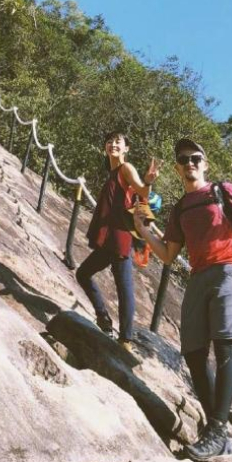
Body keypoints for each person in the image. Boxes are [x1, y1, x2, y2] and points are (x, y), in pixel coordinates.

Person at [133, 137, 232, 460]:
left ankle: (216, 430)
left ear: (204, 164)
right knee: (193, 353)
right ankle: (217, 432)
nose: (189, 163)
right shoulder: (179, 208)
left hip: (230, 270)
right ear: (178, 168)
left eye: (195, 158)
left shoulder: (221, 190)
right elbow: (167, 254)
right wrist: (142, 228)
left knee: (224, 347)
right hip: (198, 276)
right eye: (183, 159)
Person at [77, 131, 161, 352]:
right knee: (83, 274)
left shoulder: (126, 168)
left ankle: (125, 339)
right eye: (109, 141)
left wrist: (149, 181)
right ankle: (104, 319)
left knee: (124, 287)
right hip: (110, 239)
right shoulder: (112, 172)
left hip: (120, 237)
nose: (112, 144)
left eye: (118, 142)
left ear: (126, 149)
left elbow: (142, 189)